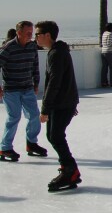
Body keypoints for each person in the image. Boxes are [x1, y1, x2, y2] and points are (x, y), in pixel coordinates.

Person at [34, 21, 82, 191]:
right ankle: (69, 170)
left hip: (61, 103)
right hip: (63, 102)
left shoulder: (57, 53)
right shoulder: (57, 51)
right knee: (53, 136)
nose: (36, 38)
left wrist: (45, 109)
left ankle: (70, 171)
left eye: (38, 34)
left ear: (48, 35)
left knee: (55, 136)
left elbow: (55, 82)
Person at [0, 20, 47, 161]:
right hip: (11, 90)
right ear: (18, 33)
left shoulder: (32, 46)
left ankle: (31, 144)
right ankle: (5, 148)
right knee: (14, 117)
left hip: (27, 88)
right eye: (27, 33)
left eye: (31, 33)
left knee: (34, 115)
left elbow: (35, 65)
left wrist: (36, 83)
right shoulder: (8, 48)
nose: (30, 36)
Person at [100, 22, 112, 87]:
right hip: (109, 52)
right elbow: (109, 43)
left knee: (104, 67)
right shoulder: (110, 34)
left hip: (103, 51)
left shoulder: (104, 33)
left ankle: (104, 82)